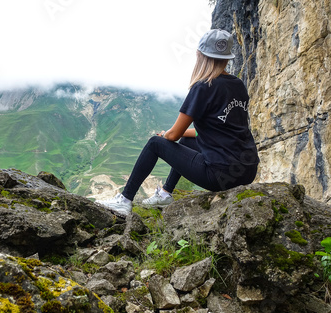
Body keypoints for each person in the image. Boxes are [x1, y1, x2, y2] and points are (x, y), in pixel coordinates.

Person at [95, 29, 259, 216]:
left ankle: (124, 200)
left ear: (201, 56)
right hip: (247, 171)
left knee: (155, 144)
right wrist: (175, 134)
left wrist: (164, 136)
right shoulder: (237, 85)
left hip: (220, 176)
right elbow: (214, 131)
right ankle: (165, 193)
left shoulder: (204, 87)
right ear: (227, 57)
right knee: (188, 141)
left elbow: (173, 135)